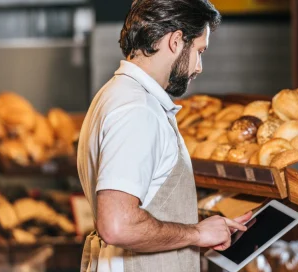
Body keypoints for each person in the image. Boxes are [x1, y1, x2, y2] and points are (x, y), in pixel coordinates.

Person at [77, 1, 251, 271]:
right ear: (176, 40)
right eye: (199, 51)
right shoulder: (137, 109)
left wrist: (198, 232)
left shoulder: (116, 94)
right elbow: (116, 225)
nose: (199, 67)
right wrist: (196, 233)